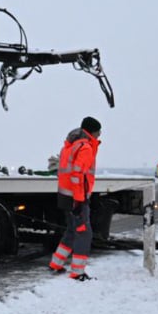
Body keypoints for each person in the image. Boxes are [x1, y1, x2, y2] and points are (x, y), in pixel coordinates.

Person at [48, 116, 102, 280]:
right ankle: (77, 272)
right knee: (84, 233)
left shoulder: (70, 146)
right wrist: (79, 200)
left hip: (65, 195)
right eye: (98, 131)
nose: (100, 134)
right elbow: (77, 175)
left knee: (72, 230)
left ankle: (56, 263)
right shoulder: (85, 147)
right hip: (76, 198)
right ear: (92, 131)